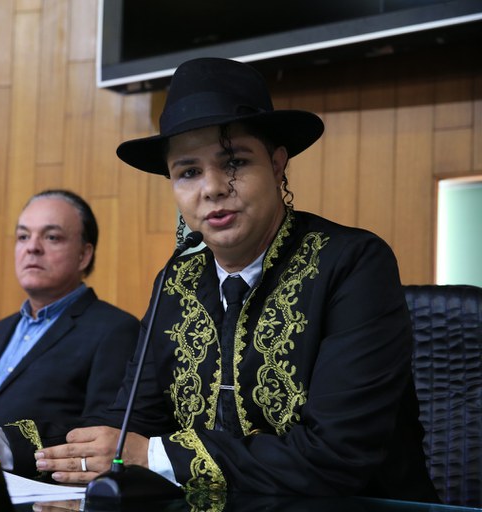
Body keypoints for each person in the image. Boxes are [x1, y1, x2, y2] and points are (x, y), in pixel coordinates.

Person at [29, 58, 438, 501]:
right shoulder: (177, 281)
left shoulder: (352, 263)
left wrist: (153, 455)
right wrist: (1, 444)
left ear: (277, 165)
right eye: (188, 172)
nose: (213, 188)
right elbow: (130, 423)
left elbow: (336, 455)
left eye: (235, 162)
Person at [0, 189, 139, 470]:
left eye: (51, 237)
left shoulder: (115, 330)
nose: (32, 247)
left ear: (84, 255)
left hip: (38, 488)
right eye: (23, 236)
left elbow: (102, 437)